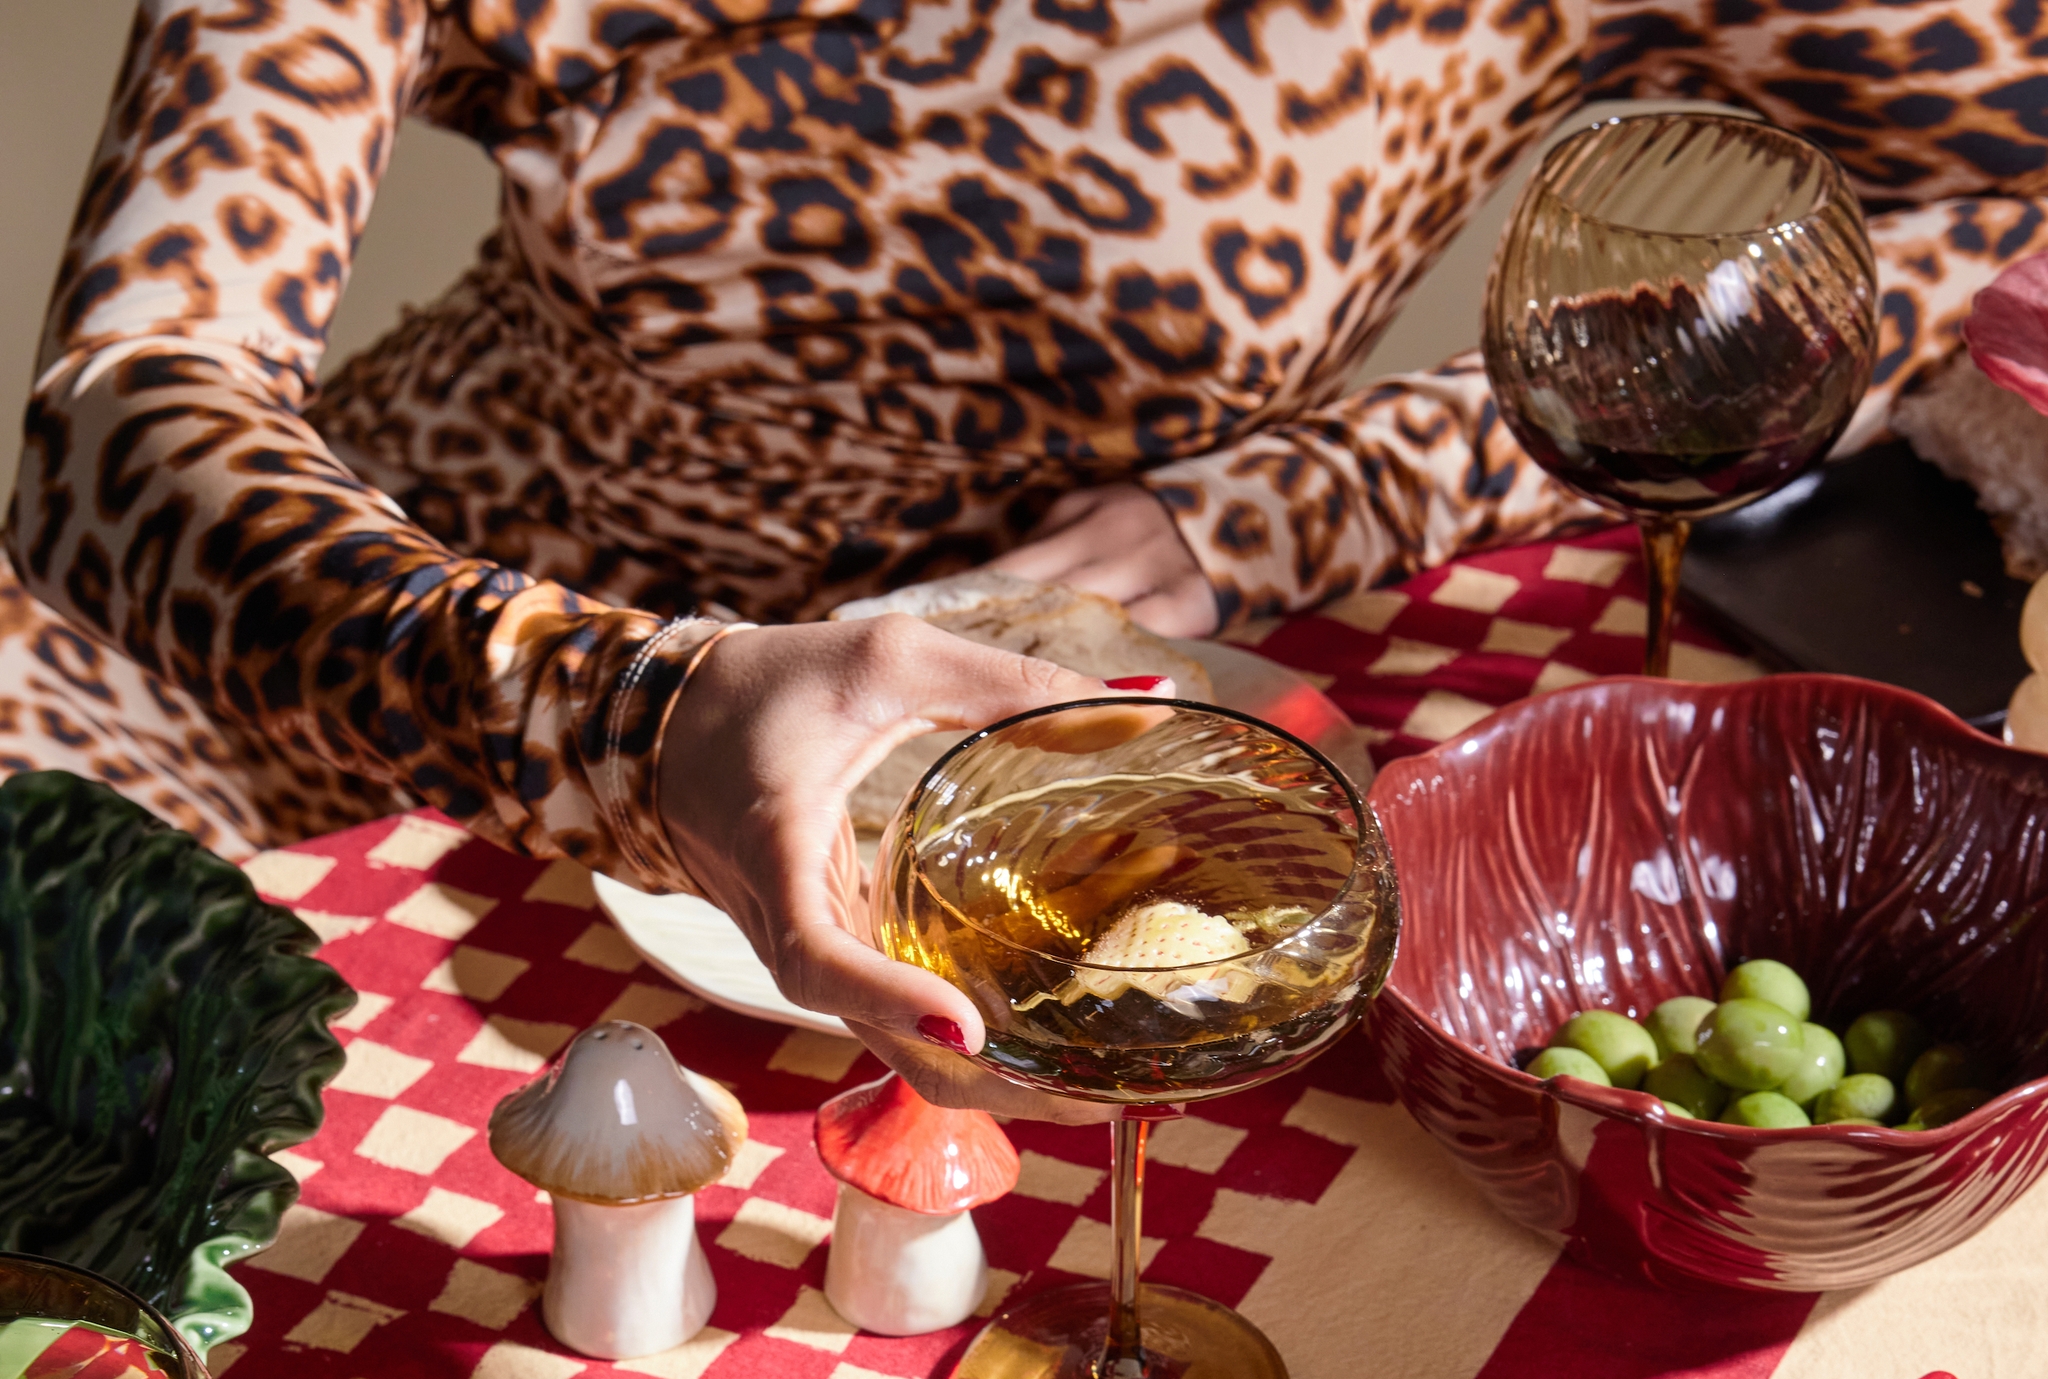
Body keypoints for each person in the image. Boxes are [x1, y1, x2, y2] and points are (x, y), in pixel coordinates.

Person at [3, 0, 2042, 1106]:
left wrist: (1264, 509)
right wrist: (620, 697)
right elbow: (113, 416)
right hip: (354, 638)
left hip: (1045, 743)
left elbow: (1930, 225)